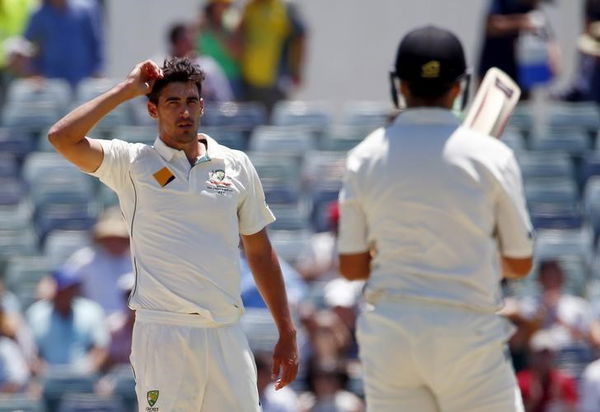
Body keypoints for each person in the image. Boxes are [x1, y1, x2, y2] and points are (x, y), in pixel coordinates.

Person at [47, 57, 298, 411]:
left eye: (191, 101)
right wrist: (126, 89)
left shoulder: (237, 165)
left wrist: (286, 331)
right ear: (153, 110)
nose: (185, 112)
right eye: (173, 102)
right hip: (164, 335)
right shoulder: (132, 163)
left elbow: (260, 253)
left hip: (226, 332)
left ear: (203, 105)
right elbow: (62, 138)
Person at [337, 25, 534, 411]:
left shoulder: (365, 157)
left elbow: (351, 267)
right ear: (461, 86)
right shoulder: (492, 157)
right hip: (467, 333)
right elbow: (520, 263)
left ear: (400, 86)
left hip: (392, 334)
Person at [26, 268, 109, 374]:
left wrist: (87, 370)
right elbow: (31, 353)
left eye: (72, 288)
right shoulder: (36, 314)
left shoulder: (91, 311)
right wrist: (44, 372)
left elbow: (100, 349)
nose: (68, 293)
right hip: (47, 378)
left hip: (85, 378)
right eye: (64, 289)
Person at [477, 0, 559, 100]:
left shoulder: (533, 8)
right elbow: (492, 26)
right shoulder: (503, 3)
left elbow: (548, 36)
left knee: (521, 112)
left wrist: (552, 56)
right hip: (494, 72)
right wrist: (523, 22)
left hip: (520, 77)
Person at [238, 0, 306, 117]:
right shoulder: (249, 8)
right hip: (249, 81)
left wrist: (296, 70)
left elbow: (299, 38)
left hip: (275, 80)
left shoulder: (284, 8)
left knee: (273, 124)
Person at [62, 207, 132, 316]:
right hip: (95, 323)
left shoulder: (138, 261)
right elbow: (61, 282)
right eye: (109, 238)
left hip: (129, 326)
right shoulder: (85, 259)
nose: (114, 243)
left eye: (120, 239)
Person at [23, 0, 103, 87]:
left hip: (83, 79)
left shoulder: (85, 9)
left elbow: (96, 42)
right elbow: (29, 45)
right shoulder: (38, 13)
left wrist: (98, 70)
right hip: (51, 81)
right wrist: (35, 73)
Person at [165, 22, 233, 102]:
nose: (190, 41)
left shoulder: (208, 65)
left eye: (192, 37)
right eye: (184, 39)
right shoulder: (162, 65)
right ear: (175, 43)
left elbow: (224, 97)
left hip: (209, 111)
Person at [516, 331, 578, 412]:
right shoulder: (521, 381)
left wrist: (560, 400)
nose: (544, 359)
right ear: (531, 355)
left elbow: (575, 409)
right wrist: (532, 400)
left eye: (548, 354)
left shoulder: (564, 381)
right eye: (540, 354)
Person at [196, 0, 243, 98]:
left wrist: (217, 31)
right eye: (223, 4)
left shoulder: (232, 22)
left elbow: (236, 52)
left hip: (230, 77)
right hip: (207, 79)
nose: (227, 7)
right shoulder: (201, 24)